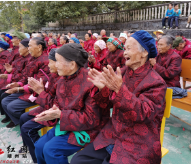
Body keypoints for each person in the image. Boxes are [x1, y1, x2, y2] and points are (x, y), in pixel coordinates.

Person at [71, 30, 167, 164]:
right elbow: (105, 104)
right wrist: (102, 89)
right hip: (113, 132)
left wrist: (118, 89)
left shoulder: (156, 82)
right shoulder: (122, 72)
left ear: (144, 52)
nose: (124, 52)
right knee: (78, 160)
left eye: (129, 48)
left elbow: (144, 113)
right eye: (124, 48)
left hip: (139, 140)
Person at [33, 43, 110, 164]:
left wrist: (60, 115)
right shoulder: (62, 80)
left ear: (73, 64)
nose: (54, 64)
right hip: (66, 124)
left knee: (51, 150)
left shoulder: (91, 82)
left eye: (58, 61)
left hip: (90, 129)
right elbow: (57, 104)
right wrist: (52, 112)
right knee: (39, 146)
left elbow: (91, 119)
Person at [19, 48, 61, 163]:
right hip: (47, 104)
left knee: (27, 128)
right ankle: (29, 146)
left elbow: (56, 104)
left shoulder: (63, 78)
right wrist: (41, 90)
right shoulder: (53, 74)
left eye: (51, 61)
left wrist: (41, 92)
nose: (48, 64)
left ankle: (37, 157)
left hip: (55, 110)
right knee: (23, 117)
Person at [1, 37, 50, 128]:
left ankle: (25, 123)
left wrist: (19, 88)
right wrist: (18, 84)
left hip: (37, 93)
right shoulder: (32, 59)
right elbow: (25, 76)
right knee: (4, 100)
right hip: (27, 88)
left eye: (30, 46)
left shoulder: (45, 61)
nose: (28, 48)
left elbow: (39, 84)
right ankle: (20, 122)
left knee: (11, 106)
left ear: (39, 47)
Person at [0, 39, 31, 117]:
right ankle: (8, 116)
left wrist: (11, 78)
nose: (18, 49)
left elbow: (26, 76)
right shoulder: (23, 57)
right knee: (1, 93)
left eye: (20, 47)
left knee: (3, 94)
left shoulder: (30, 59)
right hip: (17, 80)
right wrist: (11, 70)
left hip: (25, 85)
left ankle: (11, 117)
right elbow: (19, 70)